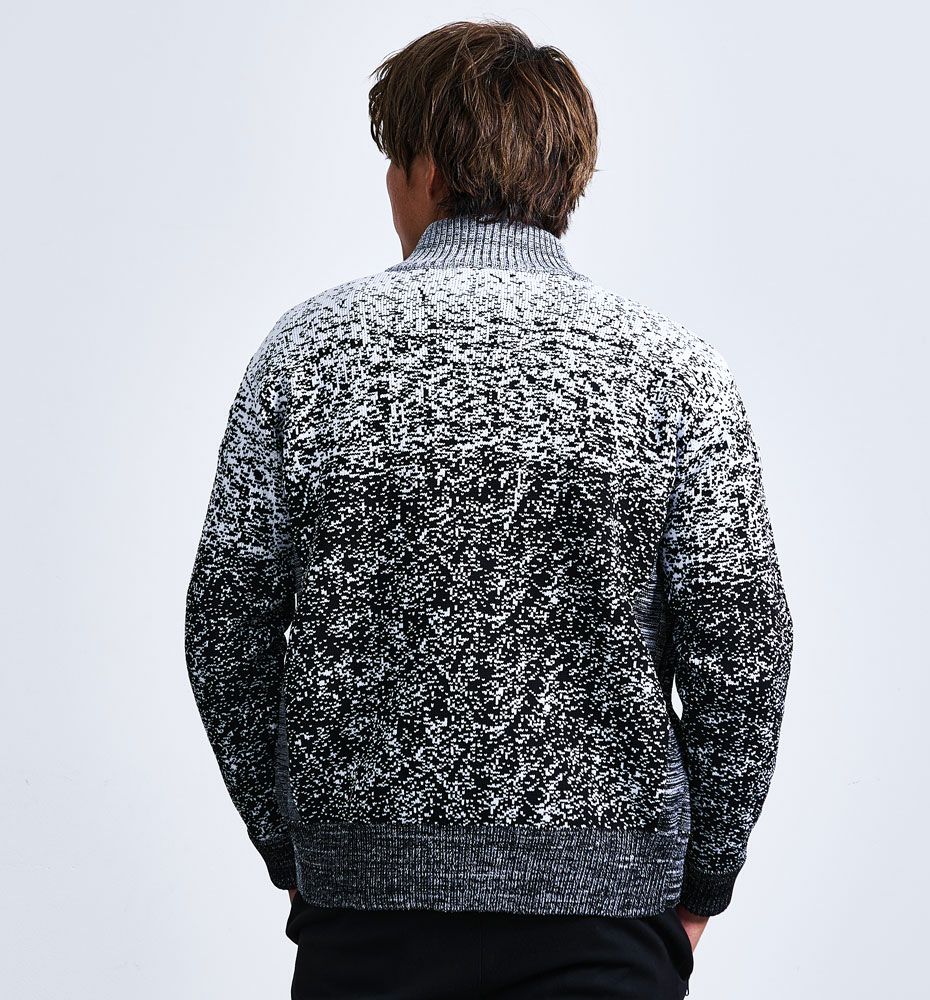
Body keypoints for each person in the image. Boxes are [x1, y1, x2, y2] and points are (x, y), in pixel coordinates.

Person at [184, 18, 794, 999]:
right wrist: (704, 881)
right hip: (608, 916)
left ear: (426, 168)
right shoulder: (673, 370)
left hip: (367, 915)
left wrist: (295, 845)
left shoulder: (307, 355)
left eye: (392, 161)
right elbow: (743, 645)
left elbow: (226, 627)